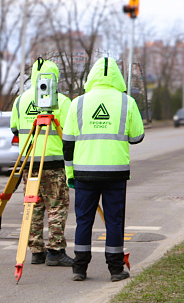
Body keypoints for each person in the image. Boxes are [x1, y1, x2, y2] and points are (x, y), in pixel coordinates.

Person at [62, 57, 145, 282]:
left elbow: (67, 143)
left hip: (84, 173)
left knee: (84, 221)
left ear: (91, 77)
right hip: (115, 173)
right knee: (115, 221)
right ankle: (116, 269)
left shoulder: (77, 103)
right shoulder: (127, 102)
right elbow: (137, 137)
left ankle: (79, 268)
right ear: (117, 77)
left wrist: (70, 175)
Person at [11, 58, 74, 267]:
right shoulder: (63, 102)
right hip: (54, 164)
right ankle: (55, 251)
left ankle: (36, 251)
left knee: (34, 207)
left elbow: (14, 129)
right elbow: (72, 133)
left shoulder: (20, 100)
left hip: (29, 163)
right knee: (56, 207)